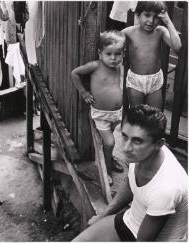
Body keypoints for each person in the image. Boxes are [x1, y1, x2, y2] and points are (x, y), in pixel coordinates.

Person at [72, 104, 188, 241]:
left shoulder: (166, 189)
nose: (126, 148)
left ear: (159, 144)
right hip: (130, 222)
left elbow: (143, 240)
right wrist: (103, 215)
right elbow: (129, 184)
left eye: (137, 141)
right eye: (125, 136)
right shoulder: (141, 154)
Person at [71, 30, 125, 185]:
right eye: (109, 54)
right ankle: (106, 170)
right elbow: (74, 73)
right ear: (100, 53)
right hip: (101, 114)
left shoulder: (119, 68)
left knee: (110, 142)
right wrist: (83, 92)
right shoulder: (95, 66)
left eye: (118, 54)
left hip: (116, 113)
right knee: (109, 142)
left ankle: (110, 158)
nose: (114, 58)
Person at [122, 1, 182, 110]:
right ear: (138, 14)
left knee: (155, 115)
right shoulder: (128, 32)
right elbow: (111, 43)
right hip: (136, 81)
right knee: (137, 115)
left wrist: (168, 22)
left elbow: (177, 47)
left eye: (156, 17)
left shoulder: (160, 31)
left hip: (155, 81)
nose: (151, 21)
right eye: (147, 15)